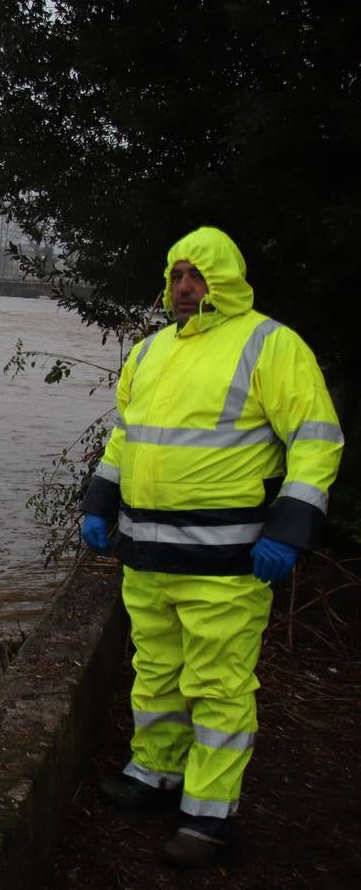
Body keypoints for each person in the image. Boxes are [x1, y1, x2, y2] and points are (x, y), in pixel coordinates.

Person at [79, 226, 344, 867]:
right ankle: (155, 773)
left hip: (226, 562)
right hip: (146, 555)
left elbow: (316, 438)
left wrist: (289, 528)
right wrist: (98, 501)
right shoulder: (149, 352)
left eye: (196, 275)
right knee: (156, 671)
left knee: (220, 687)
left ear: (223, 280)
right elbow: (126, 438)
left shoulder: (268, 344)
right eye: (175, 274)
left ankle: (208, 816)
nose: (183, 286)